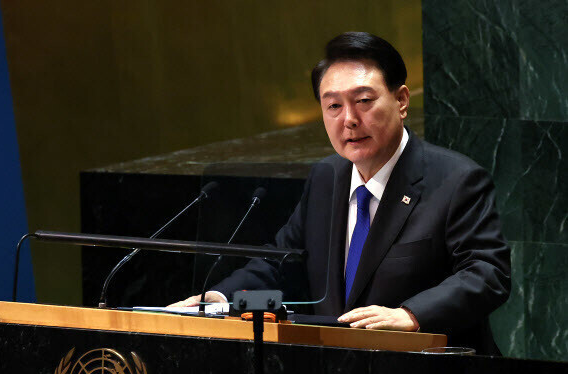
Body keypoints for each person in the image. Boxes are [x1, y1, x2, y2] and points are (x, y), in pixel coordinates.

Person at [170, 32, 511, 354]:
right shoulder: (326, 177)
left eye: (363, 101)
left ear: (402, 100)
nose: (348, 119)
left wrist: (411, 315)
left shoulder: (455, 179)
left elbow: (487, 272)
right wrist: (219, 298)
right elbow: (281, 262)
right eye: (333, 106)